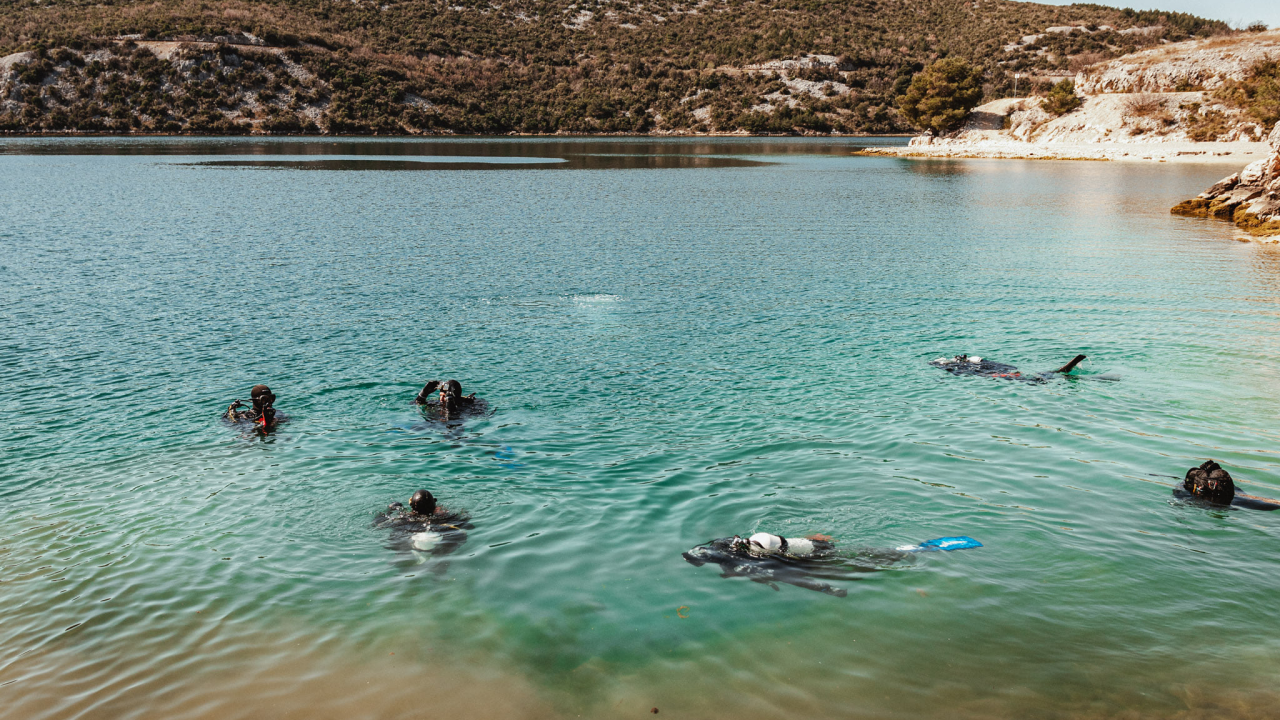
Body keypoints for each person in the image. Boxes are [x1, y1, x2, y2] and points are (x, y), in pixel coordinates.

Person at [682, 531, 981, 597]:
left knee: (860, 560)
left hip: (816, 555)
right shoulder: (745, 548)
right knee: (857, 556)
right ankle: (908, 549)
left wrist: (828, 588)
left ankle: (914, 550)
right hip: (812, 549)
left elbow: (791, 577)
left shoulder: (756, 553)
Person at [374, 489, 472, 554]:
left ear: (411, 507)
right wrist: (465, 513)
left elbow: (378, 524)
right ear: (434, 506)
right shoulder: (446, 517)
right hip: (438, 542)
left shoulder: (403, 518)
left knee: (396, 537)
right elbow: (469, 525)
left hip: (410, 541)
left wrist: (391, 509)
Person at [1175, 460, 1279, 510]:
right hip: (1231, 493)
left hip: (1220, 499)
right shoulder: (1227, 487)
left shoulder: (1183, 490)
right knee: (1249, 500)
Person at [929, 354, 1086, 382]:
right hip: (998, 369)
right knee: (1018, 375)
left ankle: (1051, 376)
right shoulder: (970, 362)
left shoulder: (959, 368)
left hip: (996, 372)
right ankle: (1056, 374)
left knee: (1021, 377)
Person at [414, 379, 479, 415]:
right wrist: (423, 394)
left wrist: (449, 403)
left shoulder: (466, 407)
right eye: (440, 396)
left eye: (444, 396)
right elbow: (415, 404)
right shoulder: (436, 403)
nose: (441, 399)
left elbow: (451, 423)